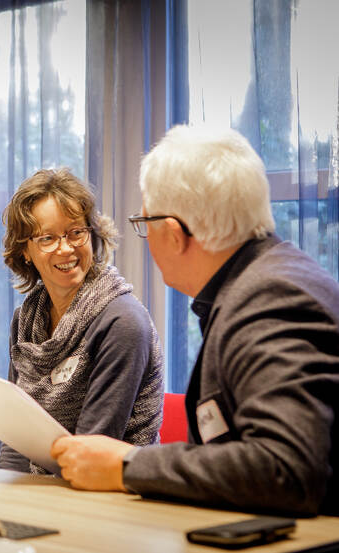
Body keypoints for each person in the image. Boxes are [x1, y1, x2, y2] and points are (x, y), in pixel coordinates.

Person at [50, 125, 339, 516]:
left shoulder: (270, 300)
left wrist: (126, 465)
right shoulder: (266, 280)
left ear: (173, 233)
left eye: (144, 222)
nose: (145, 235)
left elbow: (283, 469)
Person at [0, 168, 164, 473]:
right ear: (25, 251)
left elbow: (92, 451)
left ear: (93, 234)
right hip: (47, 491)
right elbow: (16, 436)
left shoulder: (122, 322)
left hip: (112, 495)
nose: (66, 248)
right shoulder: (26, 321)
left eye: (76, 232)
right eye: (48, 238)